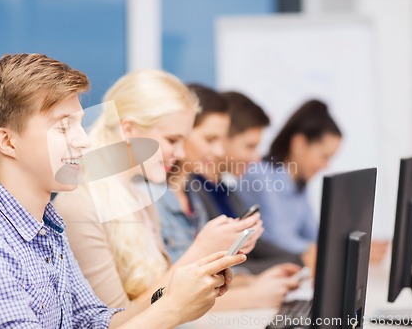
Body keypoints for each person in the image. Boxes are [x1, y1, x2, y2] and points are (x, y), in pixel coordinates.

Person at [0, 54, 246, 328]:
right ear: (7, 142)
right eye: (63, 127)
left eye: (78, 124)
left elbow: (94, 320)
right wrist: (172, 309)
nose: (84, 140)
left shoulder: (46, 225)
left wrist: (177, 292)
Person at [53, 69, 263, 312]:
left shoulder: (141, 197)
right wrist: (200, 251)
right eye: (173, 140)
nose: (181, 154)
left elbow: (159, 294)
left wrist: (219, 254)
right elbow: (114, 320)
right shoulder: (80, 205)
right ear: (129, 130)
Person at [159, 84, 301, 308]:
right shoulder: (157, 200)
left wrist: (242, 279)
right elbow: (165, 293)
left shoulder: (194, 200)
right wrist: (250, 293)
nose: (218, 152)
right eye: (210, 139)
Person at [237, 99, 342, 268]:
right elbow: (278, 238)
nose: (326, 165)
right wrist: (327, 251)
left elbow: (313, 234)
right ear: (299, 143)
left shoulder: (299, 183)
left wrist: (341, 246)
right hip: (263, 268)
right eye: (324, 157)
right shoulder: (259, 174)